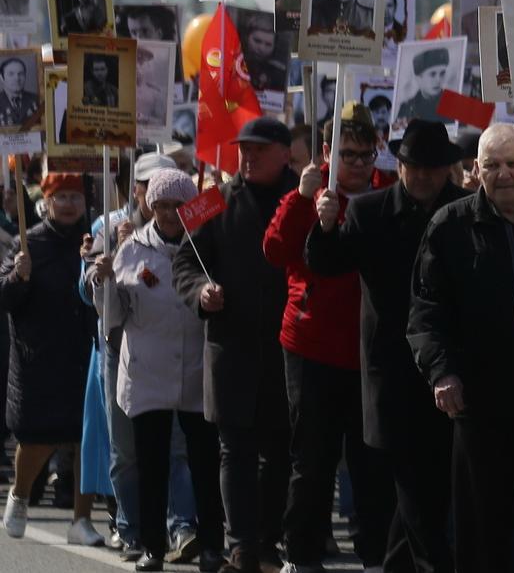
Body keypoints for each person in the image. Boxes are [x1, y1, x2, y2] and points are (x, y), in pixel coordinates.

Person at [304, 119, 467, 572]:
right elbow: (325, 262)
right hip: (392, 372)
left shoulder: (464, 210)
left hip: (448, 369)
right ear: (399, 166)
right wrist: (325, 226)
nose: (424, 177)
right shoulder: (369, 211)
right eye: (415, 167)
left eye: (433, 168)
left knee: (431, 491)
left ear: (447, 169)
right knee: (411, 487)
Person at [409, 124, 514, 573]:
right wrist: (442, 372)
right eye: (492, 165)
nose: (503, 174)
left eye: (513, 164)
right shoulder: (449, 226)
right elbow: (426, 312)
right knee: (481, 533)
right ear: (475, 169)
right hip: (480, 404)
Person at [263, 108, 396, 572]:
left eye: (366, 155)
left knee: (371, 461)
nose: (357, 164)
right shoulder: (308, 194)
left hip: (368, 349)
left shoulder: (387, 195)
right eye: (348, 154)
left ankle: (376, 556)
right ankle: (301, 556)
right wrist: (303, 201)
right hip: (312, 346)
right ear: (328, 152)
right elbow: (275, 250)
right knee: (313, 460)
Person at [172, 117, 297, 572]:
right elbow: (185, 263)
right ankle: (241, 544)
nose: (249, 156)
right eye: (245, 148)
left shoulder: (303, 196)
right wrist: (201, 291)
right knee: (235, 450)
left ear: (285, 153)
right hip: (231, 349)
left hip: (288, 351)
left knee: (280, 453)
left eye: (260, 149)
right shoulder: (212, 201)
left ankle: (267, 539)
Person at [103, 170, 227, 572]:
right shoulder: (132, 249)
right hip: (147, 370)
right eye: (162, 206)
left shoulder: (209, 244)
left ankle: (212, 545)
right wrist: (103, 283)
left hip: (197, 368)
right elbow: (113, 317)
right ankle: (153, 546)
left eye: (180, 205)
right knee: (151, 463)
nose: (171, 214)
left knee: (205, 462)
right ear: (150, 206)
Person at [1, 173, 102, 544]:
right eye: (62, 197)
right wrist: (17, 277)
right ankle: (20, 495)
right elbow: (4, 296)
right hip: (39, 357)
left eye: (76, 197)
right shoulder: (28, 242)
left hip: (84, 352)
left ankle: (82, 520)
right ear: (46, 203)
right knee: (38, 438)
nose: (69, 204)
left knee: (85, 439)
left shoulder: (93, 240)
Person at [402, 47, 451, 124]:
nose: (438, 80)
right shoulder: (407, 107)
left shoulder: (454, 104)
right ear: (418, 78)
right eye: (432, 74)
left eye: (442, 73)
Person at [0, 57, 36, 128]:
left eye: (21, 74)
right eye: (11, 74)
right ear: (1, 78)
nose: (17, 78)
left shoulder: (36, 99)